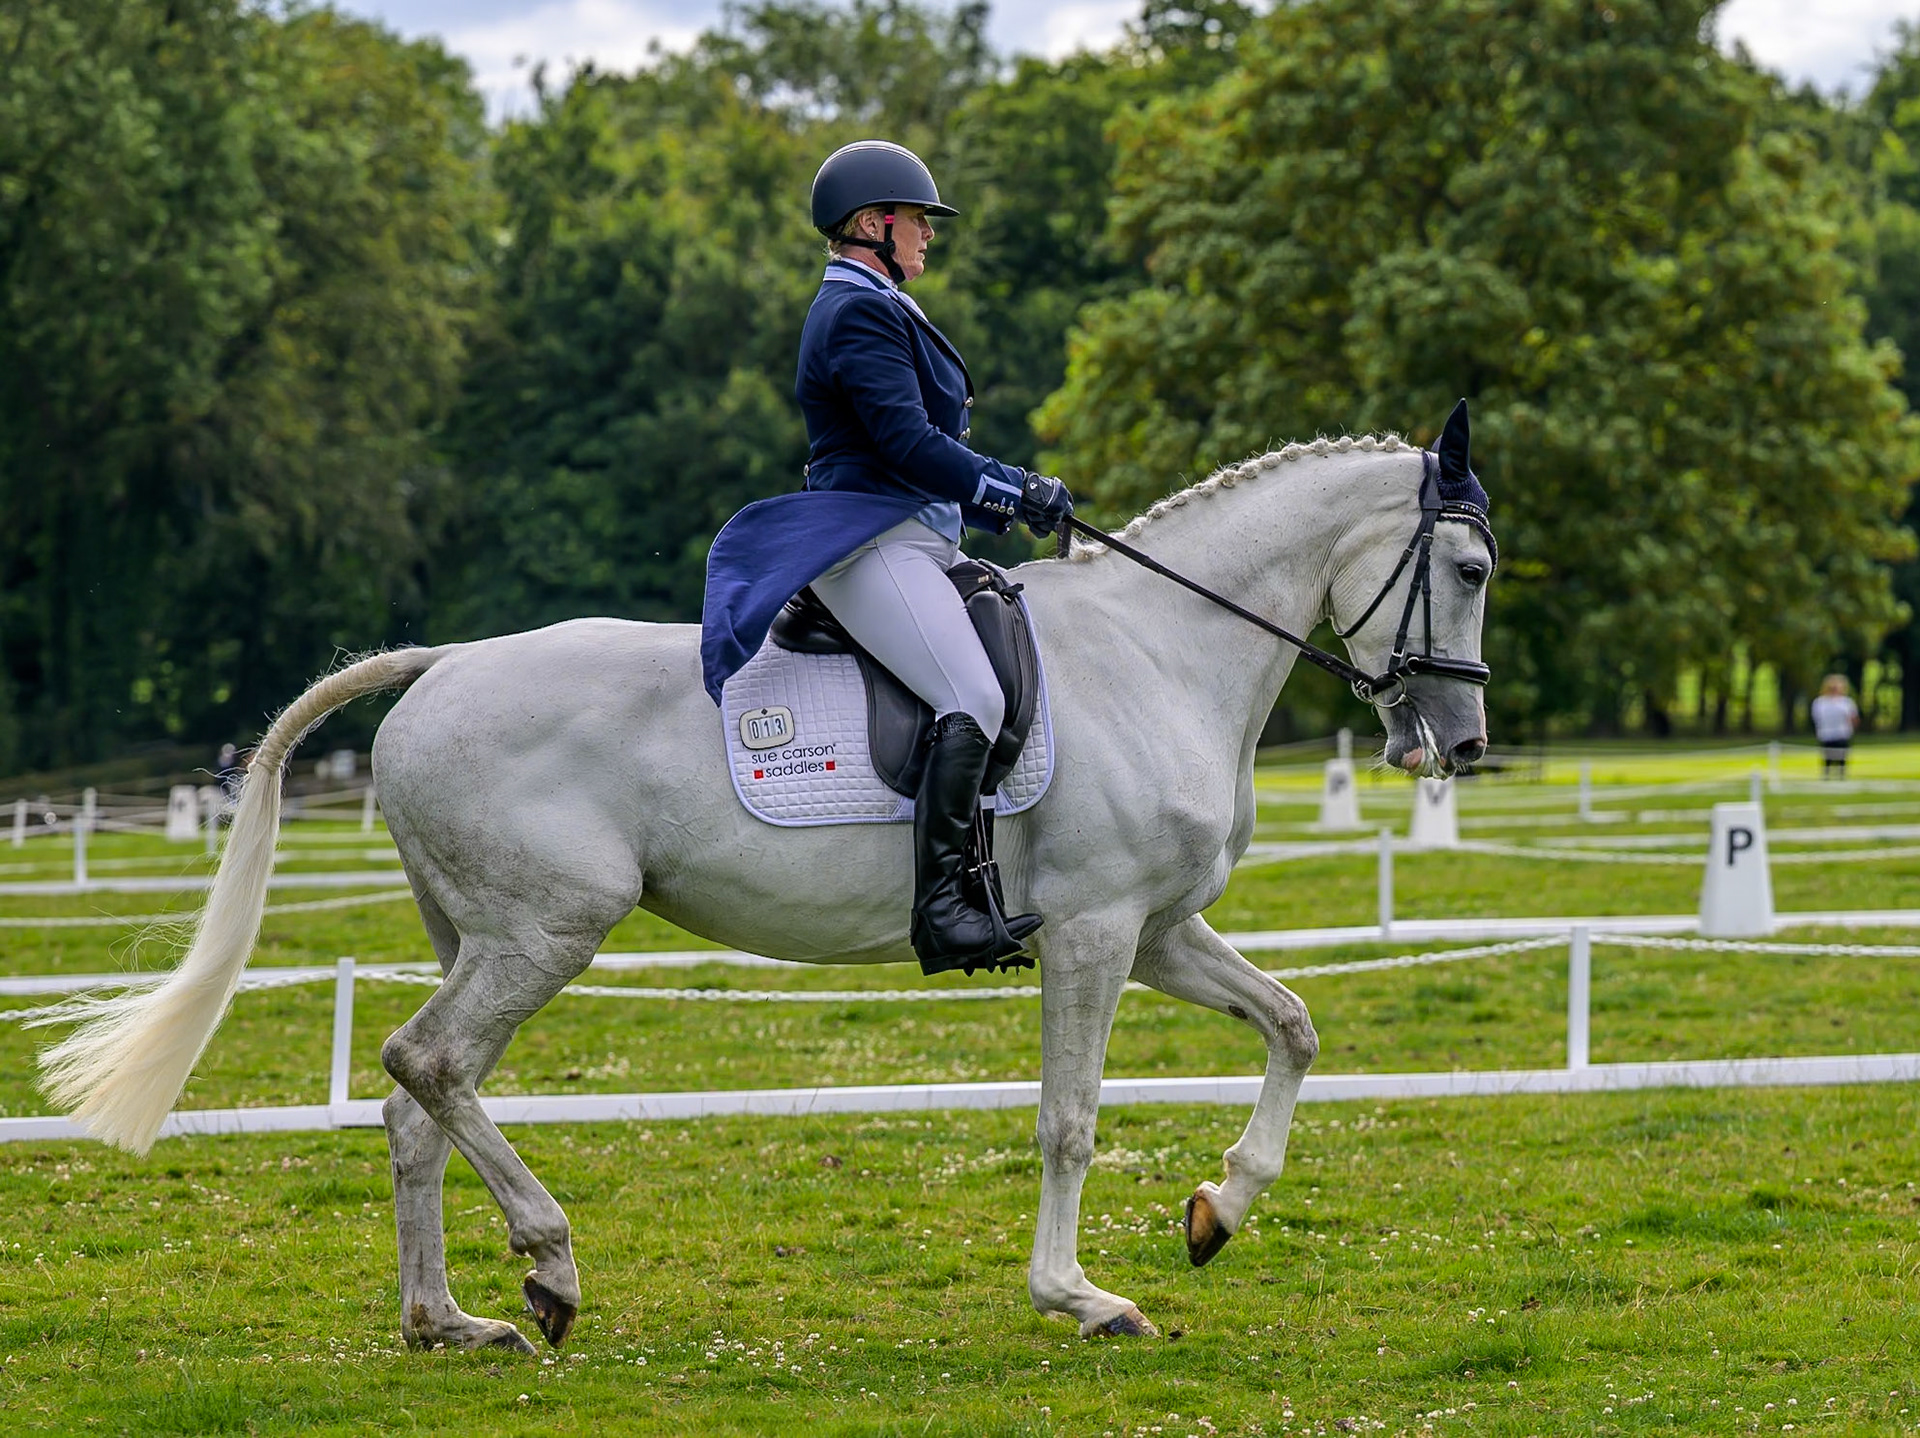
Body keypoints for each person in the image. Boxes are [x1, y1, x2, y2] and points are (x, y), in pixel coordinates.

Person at [700, 140, 1074, 976]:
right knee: (972, 695)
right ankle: (943, 909)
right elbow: (907, 442)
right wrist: (1013, 488)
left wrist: (1000, 497)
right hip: (872, 540)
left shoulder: (878, 303)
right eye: (918, 221)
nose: (928, 236)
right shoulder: (859, 310)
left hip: (911, 537)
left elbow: (920, 446)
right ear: (875, 223)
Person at [1809, 674, 1860, 778]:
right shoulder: (1820, 702)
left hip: (1842, 733)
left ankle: (1841, 776)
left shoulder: (1846, 702)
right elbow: (1816, 718)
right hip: (1826, 734)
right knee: (1827, 757)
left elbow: (1853, 717)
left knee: (1842, 757)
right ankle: (1826, 776)